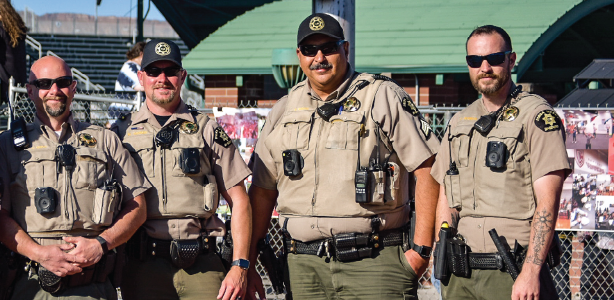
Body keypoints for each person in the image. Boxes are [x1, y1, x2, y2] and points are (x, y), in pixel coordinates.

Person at [247, 13, 440, 299]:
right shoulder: (284, 110)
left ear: (345, 49)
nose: (320, 57)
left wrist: (421, 251)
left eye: (329, 47)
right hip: (303, 267)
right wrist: (248, 259)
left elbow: (427, 168)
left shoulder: (382, 96)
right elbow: (263, 191)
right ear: (299, 55)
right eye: (310, 50)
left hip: (374, 262)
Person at [0, 55, 150, 300]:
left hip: (92, 287)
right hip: (31, 286)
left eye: (62, 82)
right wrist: (40, 253)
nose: (54, 90)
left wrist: (101, 244)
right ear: (30, 91)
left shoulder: (105, 140)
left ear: (73, 88)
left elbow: (138, 207)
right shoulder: (8, 145)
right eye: (44, 84)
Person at [431, 25, 570, 300]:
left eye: (494, 58)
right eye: (475, 60)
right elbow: (446, 195)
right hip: (461, 273)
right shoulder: (459, 123)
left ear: (511, 59)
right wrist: (441, 252)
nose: (484, 67)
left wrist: (530, 271)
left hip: (511, 271)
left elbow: (548, 201)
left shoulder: (536, 116)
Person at [111, 39, 252, 300]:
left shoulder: (207, 129)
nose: (162, 79)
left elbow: (240, 200)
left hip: (202, 265)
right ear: (141, 77)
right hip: (143, 266)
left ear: (182, 76)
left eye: (170, 71)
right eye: (154, 71)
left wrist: (240, 265)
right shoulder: (120, 132)